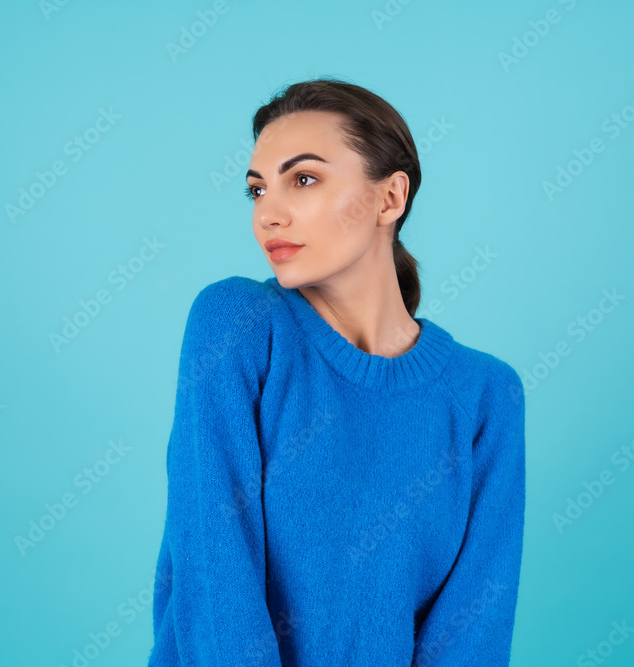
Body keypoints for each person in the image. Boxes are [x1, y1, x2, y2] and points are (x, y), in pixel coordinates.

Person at [148, 77, 526, 666]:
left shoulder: (485, 395)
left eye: (303, 179)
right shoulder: (239, 324)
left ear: (389, 198)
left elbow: (474, 628)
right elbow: (211, 563)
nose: (268, 214)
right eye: (256, 190)